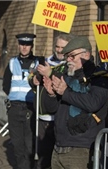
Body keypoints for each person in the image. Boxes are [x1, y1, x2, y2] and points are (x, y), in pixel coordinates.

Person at [36, 36, 108, 169]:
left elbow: (93, 103)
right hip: (58, 147)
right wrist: (51, 94)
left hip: (81, 150)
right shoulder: (66, 75)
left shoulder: (99, 77)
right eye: (67, 57)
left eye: (72, 56)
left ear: (86, 55)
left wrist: (65, 93)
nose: (68, 60)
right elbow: (51, 108)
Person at [33, 33, 74, 169]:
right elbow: (32, 77)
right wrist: (33, 80)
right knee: (40, 158)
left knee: (54, 159)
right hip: (41, 116)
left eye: (63, 47)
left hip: (57, 118)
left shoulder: (69, 65)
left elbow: (67, 80)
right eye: (57, 46)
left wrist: (50, 72)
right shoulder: (46, 61)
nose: (59, 50)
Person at [2, 33, 38, 169]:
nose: (24, 47)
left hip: (30, 108)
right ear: (18, 45)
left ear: (32, 46)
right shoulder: (12, 62)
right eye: (22, 44)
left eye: (27, 45)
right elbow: (5, 85)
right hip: (14, 108)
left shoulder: (38, 63)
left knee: (30, 146)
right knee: (18, 146)